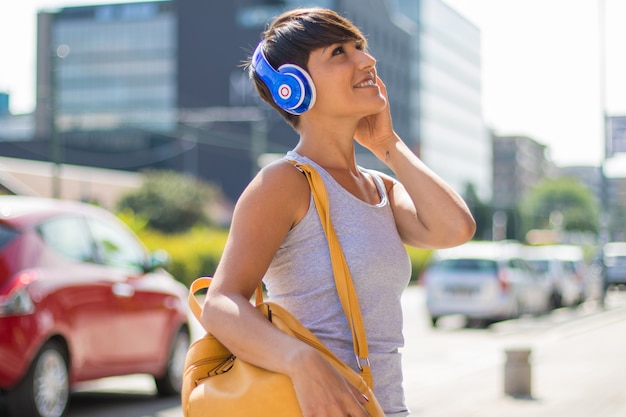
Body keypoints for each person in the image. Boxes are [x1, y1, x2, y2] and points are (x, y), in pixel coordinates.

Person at [200, 7, 476, 417]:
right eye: (338, 53)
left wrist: (388, 145)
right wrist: (299, 359)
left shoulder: (380, 187)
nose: (367, 60)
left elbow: (455, 229)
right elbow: (220, 303)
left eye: (360, 47)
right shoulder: (285, 182)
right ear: (294, 87)